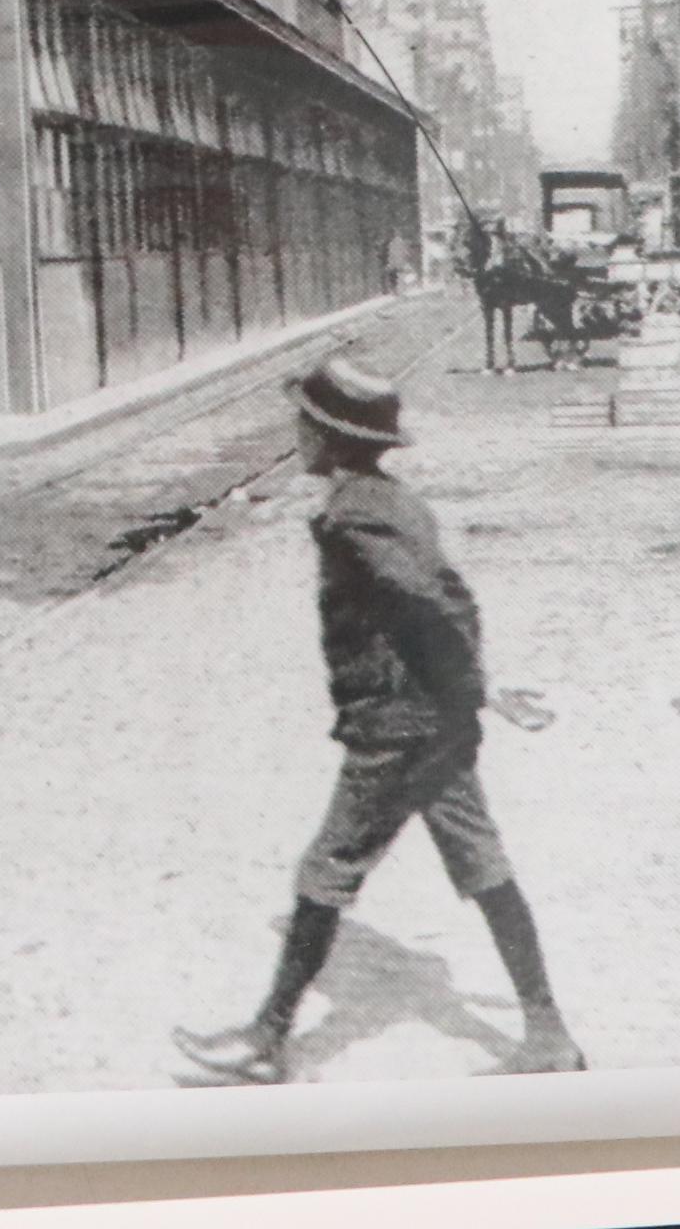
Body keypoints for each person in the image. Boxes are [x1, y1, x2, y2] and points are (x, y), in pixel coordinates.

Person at [172, 353, 585, 1084]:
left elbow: (424, 598)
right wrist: (472, 689)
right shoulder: (396, 501)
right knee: (482, 864)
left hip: (397, 726)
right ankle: (549, 1033)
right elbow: (453, 595)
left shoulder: (353, 513)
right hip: (437, 721)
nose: (298, 434)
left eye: (306, 424)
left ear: (330, 437)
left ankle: (267, 1039)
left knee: (328, 868)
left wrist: (472, 684)